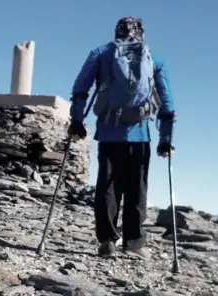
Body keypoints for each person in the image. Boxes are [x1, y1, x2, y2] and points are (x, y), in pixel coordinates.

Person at [69, 16, 175, 259]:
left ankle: (107, 241)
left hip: (109, 131)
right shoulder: (154, 59)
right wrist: (166, 138)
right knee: (137, 188)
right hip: (140, 134)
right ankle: (134, 242)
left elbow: (80, 89)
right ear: (142, 33)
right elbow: (166, 100)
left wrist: (77, 121)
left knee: (108, 187)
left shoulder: (100, 53)